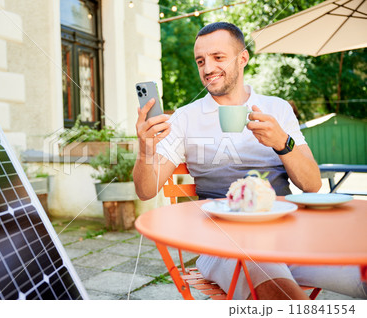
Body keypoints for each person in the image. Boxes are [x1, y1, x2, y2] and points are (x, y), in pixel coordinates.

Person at [133, 22, 367, 300]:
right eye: (200, 60)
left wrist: (283, 143)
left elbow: (312, 184)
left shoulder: (276, 108)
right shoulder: (185, 117)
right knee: (271, 281)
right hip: (222, 243)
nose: (207, 68)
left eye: (218, 57)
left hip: (289, 237)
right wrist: (146, 149)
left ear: (242, 58)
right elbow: (146, 190)